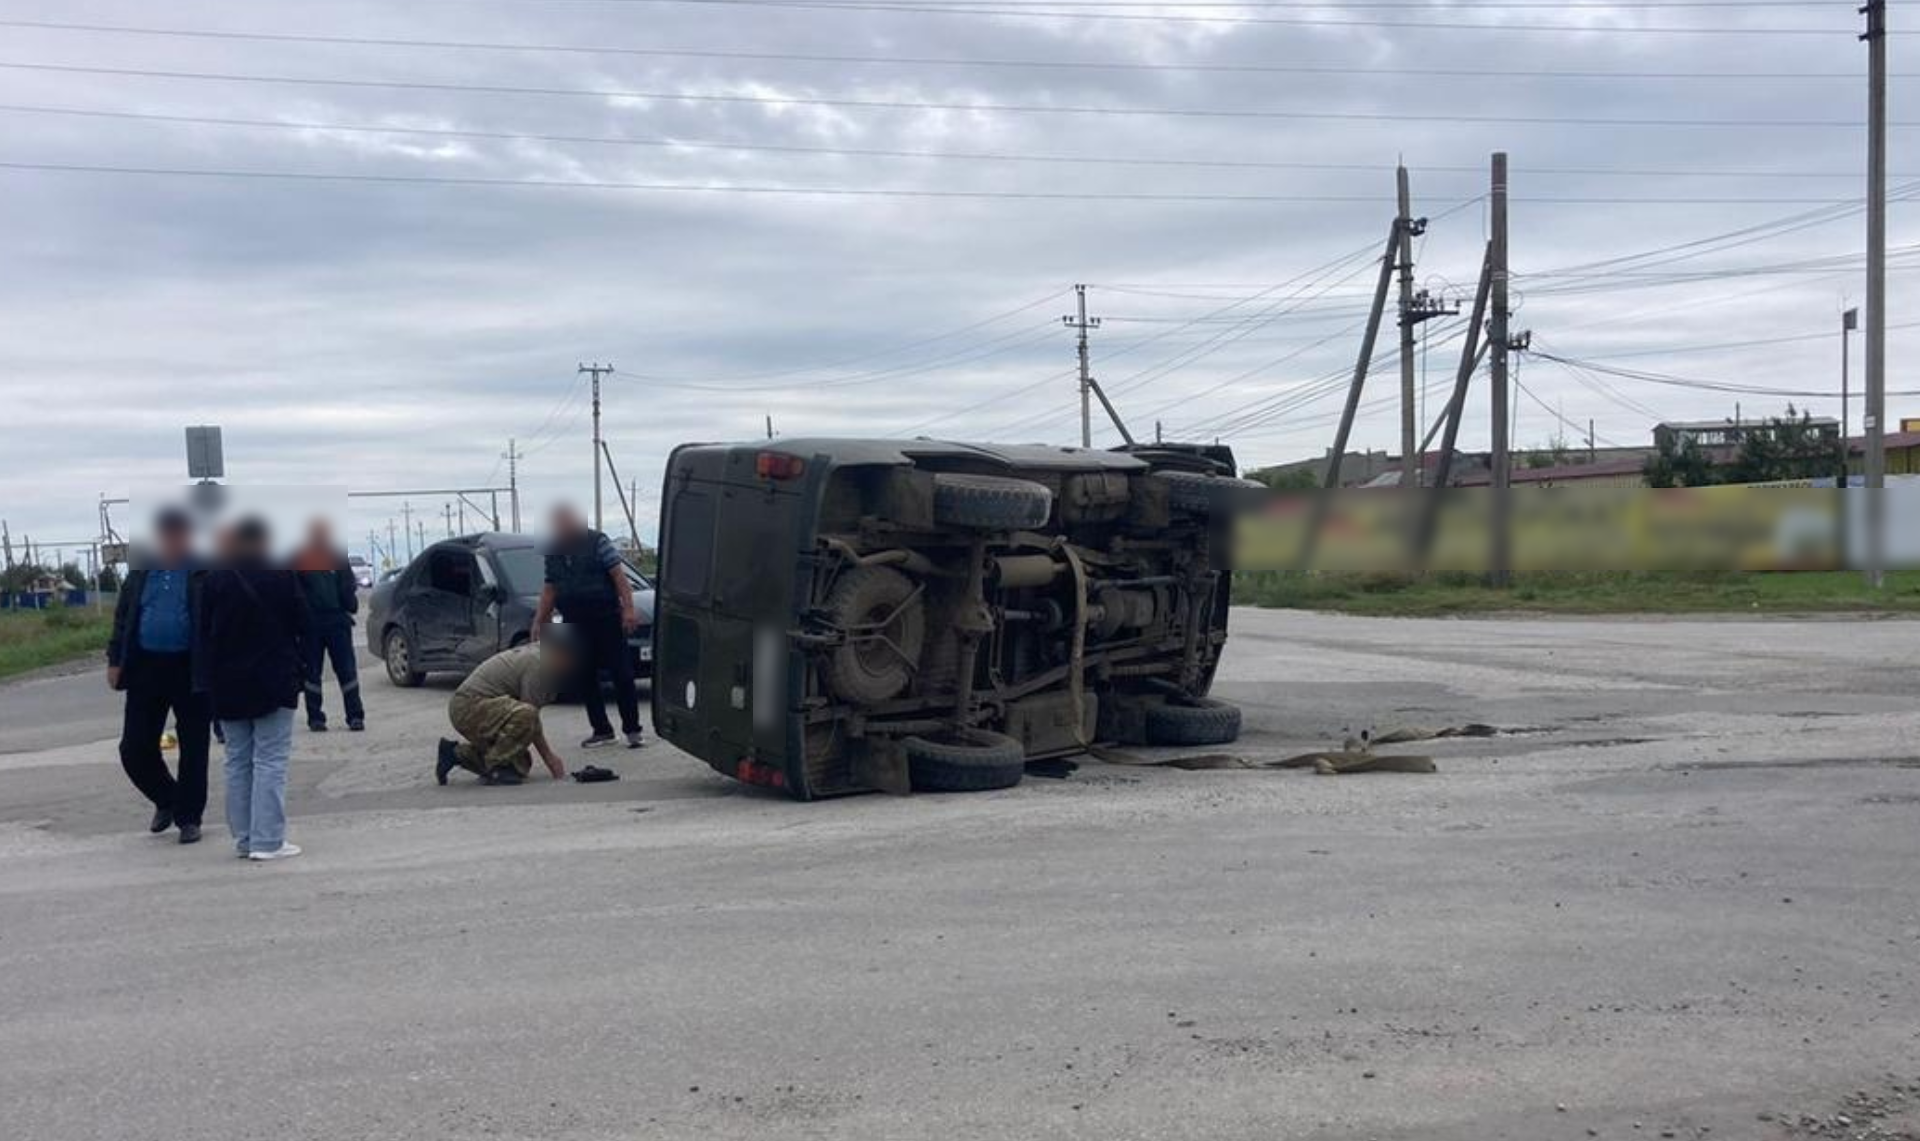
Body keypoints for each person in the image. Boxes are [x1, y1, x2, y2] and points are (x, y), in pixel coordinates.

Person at [199, 516, 309, 862]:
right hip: (273, 679)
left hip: (227, 683)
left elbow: (203, 632)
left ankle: (245, 838)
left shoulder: (214, 578)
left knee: (237, 760)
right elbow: (304, 623)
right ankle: (268, 840)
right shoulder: (281, 574)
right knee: (271, 759)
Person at [107, 507, 212, 844]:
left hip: (190, 667)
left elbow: (214, 618)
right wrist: (114, 659)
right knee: (134, 748)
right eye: (168, 535)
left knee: (194, 746)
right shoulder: (141, 571)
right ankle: (166, 798)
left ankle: (189, 818)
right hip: (145, 668)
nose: (173, 541)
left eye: (179, 534)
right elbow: (123, 617)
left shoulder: (202, 571)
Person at [531, 504, 644, 749]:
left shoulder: (597, 541)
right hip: (573, 619)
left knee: (622, 674)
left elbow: (619, 578)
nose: (562, 529)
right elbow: (550, 588)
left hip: (606, 617)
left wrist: (629, 609)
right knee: (583, 676)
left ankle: (633, 731)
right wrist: (540, 621)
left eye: (566, 523)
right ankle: (602, 731)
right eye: (558, 525)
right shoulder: (553, 550)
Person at [436, 634, 574, 786]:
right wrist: (550, 758)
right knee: (526, 715)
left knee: (521, 763)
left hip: (477, 706)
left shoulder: (543, 654)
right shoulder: (538, 664)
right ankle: (495, 768)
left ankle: (455, 753)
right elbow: (530, 716)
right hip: (468, 706)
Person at [292, 518, 365, 733]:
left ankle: (355, 715)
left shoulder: (336, 556)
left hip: (336, 622)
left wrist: (348, 605)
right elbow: (295, 590)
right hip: (311, 624)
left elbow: (348, 585)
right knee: (312, 673)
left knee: (347, 670)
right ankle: (316, 718)